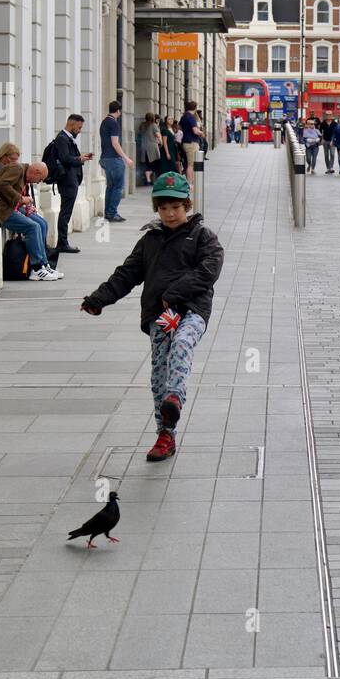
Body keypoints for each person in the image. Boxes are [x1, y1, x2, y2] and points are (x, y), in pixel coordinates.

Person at [81, 171, 224, 462]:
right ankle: (165, 434)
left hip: (192, 310)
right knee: (159, 373)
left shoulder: (203, 237)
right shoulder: (150, 241)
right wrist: (99, 299)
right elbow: (127, 274)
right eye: (163, 208)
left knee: (183, 343)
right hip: (159, 315)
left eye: (176, 207)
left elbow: (208, 271)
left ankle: (175, 398)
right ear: (156, 209)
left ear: (187, 205)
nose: (170, 214)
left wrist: (174, 294)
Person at [0, 156, 63, 281]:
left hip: (12, 206)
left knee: (42, 223)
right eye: (39, 179)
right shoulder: (17, 169)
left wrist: (27, 202)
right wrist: (20, 199)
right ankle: (36, 268)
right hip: (2, 208)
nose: (38, 182)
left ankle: (44, 263)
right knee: (32, 227)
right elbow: (2, 184)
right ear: (36, 172)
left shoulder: (24, 174)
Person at [50, 113, 92, 254]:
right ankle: (62, 243)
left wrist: (81, 157)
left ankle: (63, 242)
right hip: (67, 181)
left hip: (71, 180)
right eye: (79, 127)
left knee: (66, 212)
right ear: (72, 124)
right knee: (65, 213)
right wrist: (80, 159)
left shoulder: (67, 138)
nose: (80, 130)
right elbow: (65, 159)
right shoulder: (62, 138)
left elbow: (69, 157)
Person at [99, 100, 132, 222]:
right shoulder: (114, 123)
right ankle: (112, 213)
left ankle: (108, 212)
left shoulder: (104, 122)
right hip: (114, 159)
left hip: (105, 158)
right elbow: (115, 143)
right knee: (118, 187)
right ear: (118, 111)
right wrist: (126, 158)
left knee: (110, 187)